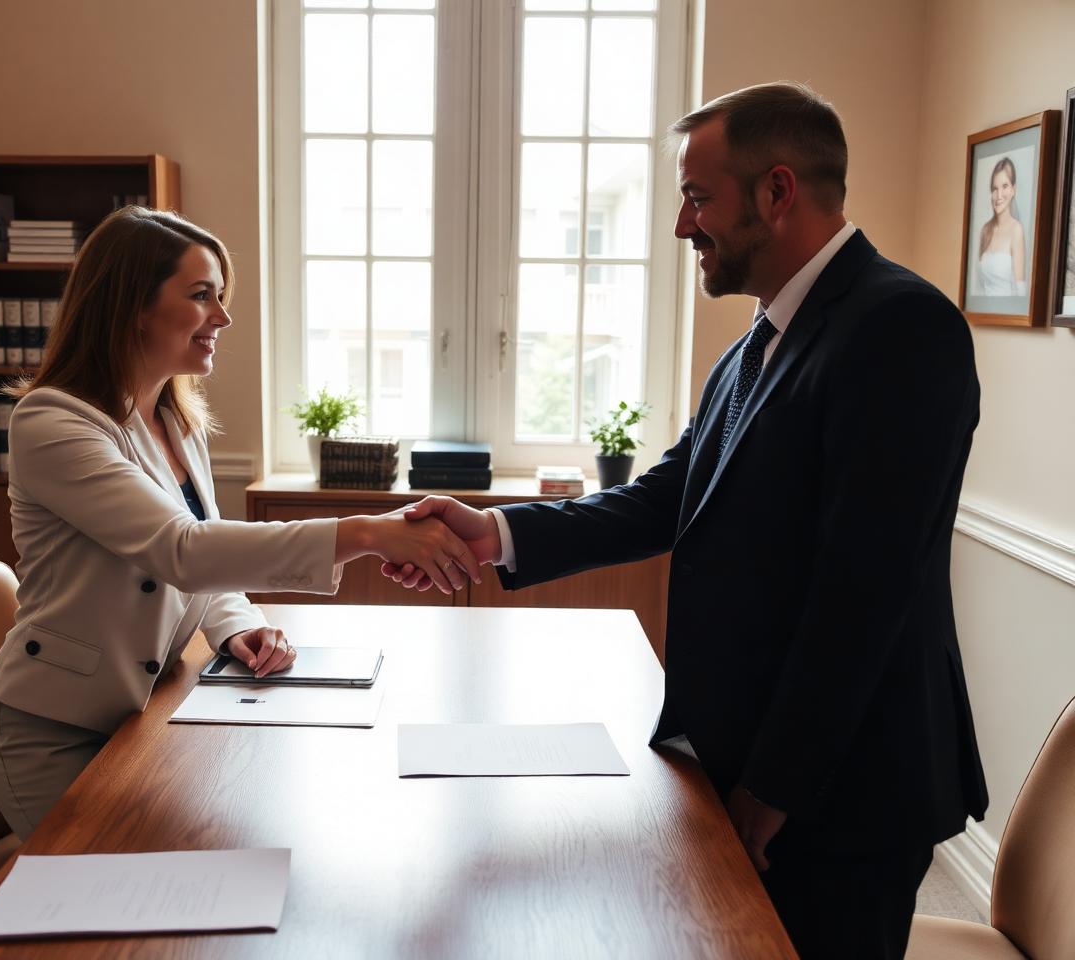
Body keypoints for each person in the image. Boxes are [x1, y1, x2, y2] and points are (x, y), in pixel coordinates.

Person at [385, 83, 988, 959]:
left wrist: (771, 789)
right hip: (751, 756)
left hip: (843, 787)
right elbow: (672, 495)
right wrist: (500, 534)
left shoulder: (902, 327)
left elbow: (861, 592)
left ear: (778, 192)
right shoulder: (760, 339)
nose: (680, 226)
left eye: (699, 198)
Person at [0, 207, 481, 840]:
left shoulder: (173, 419)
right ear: (131, 304)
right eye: (201, 297)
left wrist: (238, 627)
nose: (223, 317)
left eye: (221, 297)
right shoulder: (52, 423)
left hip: (143, 716)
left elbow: (208, 565)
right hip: (56, 734)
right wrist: (365, 531)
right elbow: (180, 550)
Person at [975, 156, 1027, 296]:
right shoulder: (985, 230)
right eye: (994, 188)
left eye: (1005, 186)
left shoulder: (1016, 230)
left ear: (1013, 189)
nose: (999, 195)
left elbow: (1020, 288)